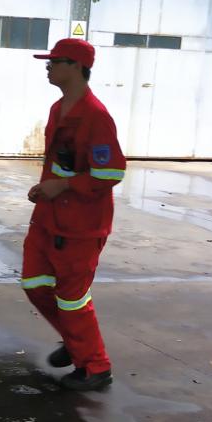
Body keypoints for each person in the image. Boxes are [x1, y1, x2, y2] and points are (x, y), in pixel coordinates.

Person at [24, 38, 125, 391]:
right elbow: (57, 163)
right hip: (48, 218)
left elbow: (111, 172)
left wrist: (64, 186)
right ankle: (75, 340)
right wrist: (45, 188)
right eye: (48, 62)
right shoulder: (58, 109)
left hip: (80, 226)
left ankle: (95, 367)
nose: (48, 67)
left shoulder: (96, 117)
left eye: (55, 62)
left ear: (77, 67)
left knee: (71, 298)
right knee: (34, 283)